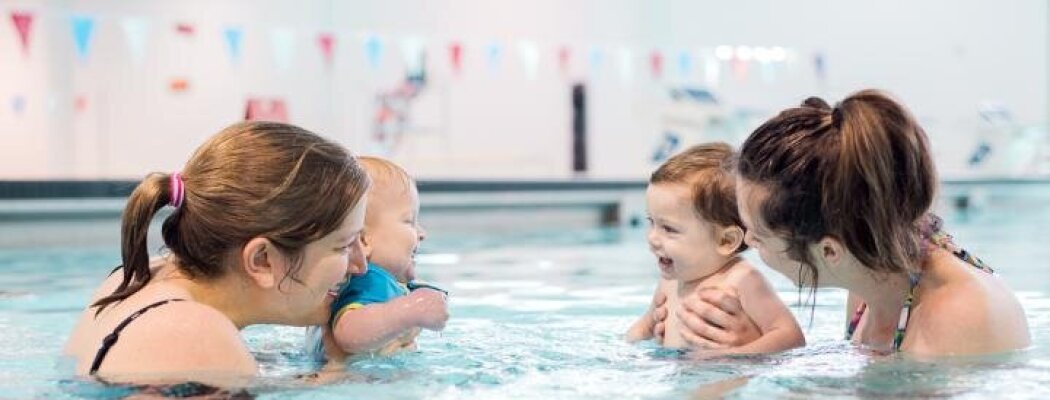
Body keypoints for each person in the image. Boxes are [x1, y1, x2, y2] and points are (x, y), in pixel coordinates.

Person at [664, 90, 1031, 355]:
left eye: (758, 237)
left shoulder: (958, 320)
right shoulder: (869, 269)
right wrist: (755, 349)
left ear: (828, 250)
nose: (748, 243)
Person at [64, 121, 371, 386]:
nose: (361, 265)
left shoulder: (136, 278)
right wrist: (342, 370)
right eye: (344, 245)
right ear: (262, 260)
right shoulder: (194, 337)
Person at [626, 143, 804, 354]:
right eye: (651, 222)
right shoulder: (670, 280)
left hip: (730, 381)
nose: (652, 238)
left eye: (669, 228)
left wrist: (734, 355)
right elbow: (644, 327)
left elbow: (790, 336)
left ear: (726, 241)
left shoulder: (742, 280)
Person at [310, 156, 449, 362]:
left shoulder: (346, 282)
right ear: (364, 241)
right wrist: (409, 311)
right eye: (409, 221)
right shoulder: (369, 279)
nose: (421, 233)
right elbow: (348, 332)